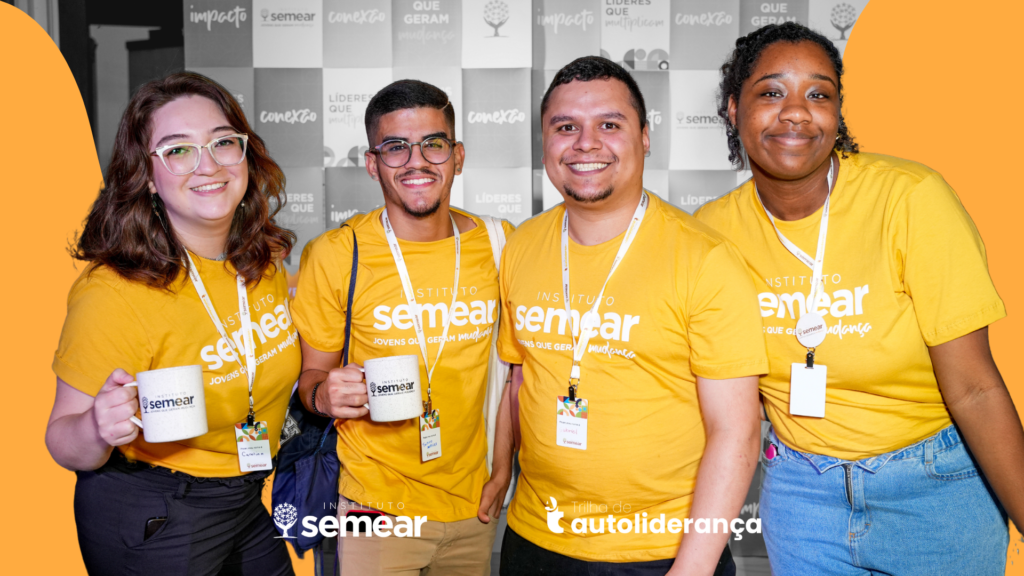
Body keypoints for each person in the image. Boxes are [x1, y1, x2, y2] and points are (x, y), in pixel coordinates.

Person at [694, 22, 1024, 576]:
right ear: (733, 108)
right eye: (771, 92)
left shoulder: (911, 199)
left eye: (818, 94)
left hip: (934, 492)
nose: (797, 112)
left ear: (838, 112)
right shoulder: (711, 235)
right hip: (802, 495)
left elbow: (974, 388)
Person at [486, 56, 768, 576]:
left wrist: (693, 567)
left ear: (644, 136)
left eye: (609, 125)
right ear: (545, 142)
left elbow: (737, 432)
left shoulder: (704, 258)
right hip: (534, 541)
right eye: (565, 127)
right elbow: (520, 377)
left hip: (659, 554)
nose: (585, 143)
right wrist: (501, 468)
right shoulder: (522, 245)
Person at [45, 72, 300, 575]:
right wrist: (98, 428)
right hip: (156, 508)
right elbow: (61, 440)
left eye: (222, 142)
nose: (208, 165)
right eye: (178, 150)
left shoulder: (262, 260)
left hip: (245, 495)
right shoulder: (113, 292)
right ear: (145, 174)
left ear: (245, 154)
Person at [290, 79, 514, 576]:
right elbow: (310, 379)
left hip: (473, 504)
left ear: (456, 155)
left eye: (432, 144)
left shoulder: (500, 245)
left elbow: (515, 379)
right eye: (395, 147)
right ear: (373, 164)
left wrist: (501, 474)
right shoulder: (336, 254)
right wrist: (324, 395)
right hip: (375, 504)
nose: (416, 161)